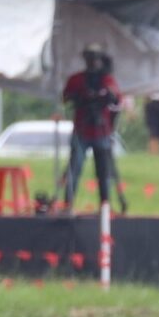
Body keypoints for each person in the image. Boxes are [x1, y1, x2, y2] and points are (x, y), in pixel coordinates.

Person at [61, 46, 122, 212]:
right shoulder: (77, 80)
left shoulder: (107, 80)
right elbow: (65, 97)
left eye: (95, 58)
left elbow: (116, 101)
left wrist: (105, 97)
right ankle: (67, 204)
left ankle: (105, 205)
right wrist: (80, 98)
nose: (92, 62)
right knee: (75, 168)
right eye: (90, 58)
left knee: (104, 171)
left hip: (101, 129)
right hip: (82, 128)